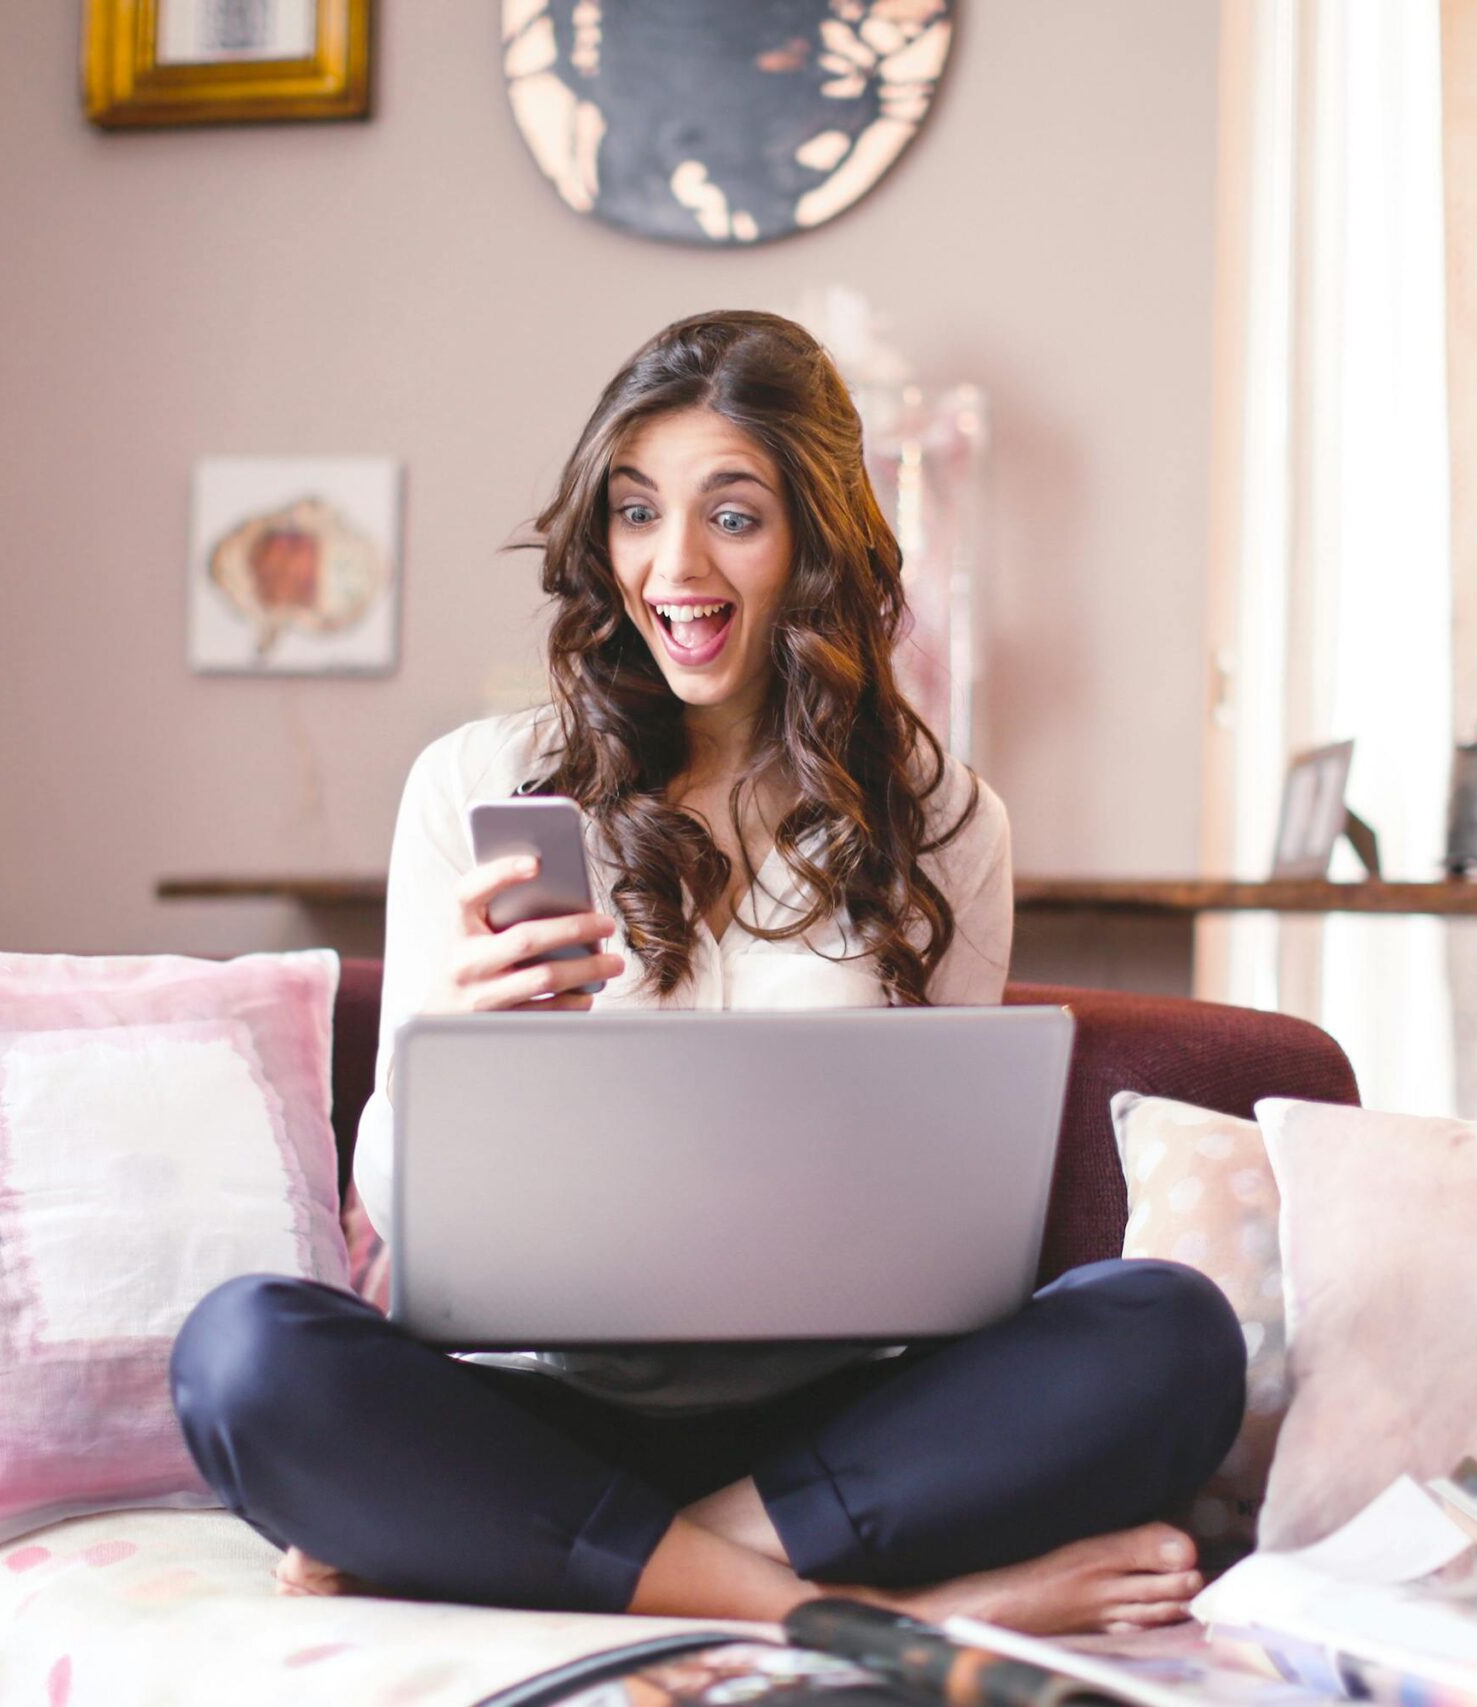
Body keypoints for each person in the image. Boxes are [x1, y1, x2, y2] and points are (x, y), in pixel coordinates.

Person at [170, 311, 1244, 1635]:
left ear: (814, 537)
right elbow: (398, 1219)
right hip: (546, 1409)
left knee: (1173, 1336)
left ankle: (582, 1557)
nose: (671, 565)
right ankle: (895, 1609)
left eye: (731, 515)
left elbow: (963, 1244)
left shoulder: (945, 820)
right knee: (244, 1360)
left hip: (831, 1437)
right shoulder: (473, 785)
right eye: (634, 512)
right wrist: (446, 1039)